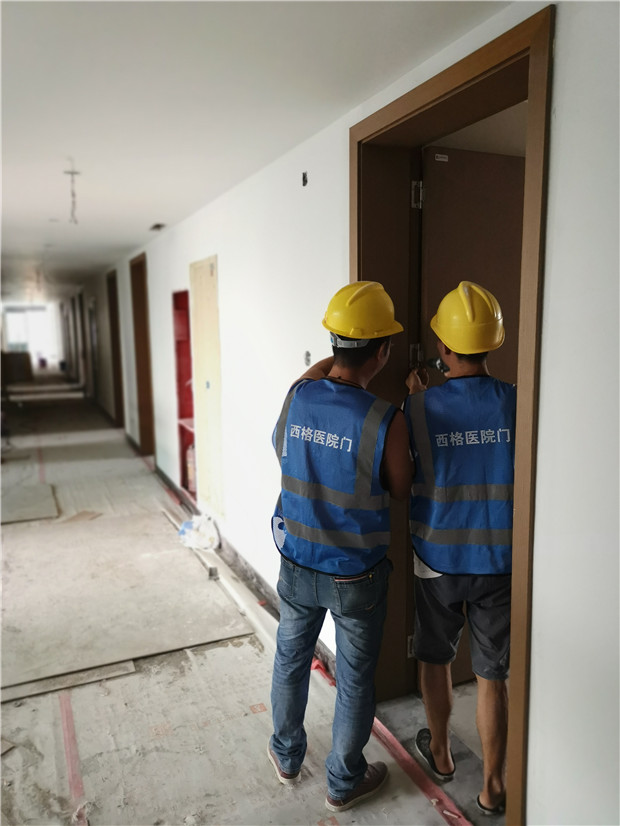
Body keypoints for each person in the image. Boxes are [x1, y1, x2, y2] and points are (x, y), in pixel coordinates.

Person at [268, 281, 411, 813]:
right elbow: (401, 488)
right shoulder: (385, 419)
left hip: (297, 561)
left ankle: (286, 757)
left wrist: (328, 364)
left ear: (332, 343)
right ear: (383, 351)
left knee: (290, 658)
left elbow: (281, 443)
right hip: (356, 575)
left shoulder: (299, 398)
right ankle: (343, 781)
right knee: (353, 678)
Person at [404, 281, 516, 816]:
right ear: (492, 342)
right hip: (499, 560)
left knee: (435, 656)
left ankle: (443, 755)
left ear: (444, 347)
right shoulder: (518, 402)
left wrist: (414, 396)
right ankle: (493, 788)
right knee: (493, 675)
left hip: (438, 560)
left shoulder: (417, 407)